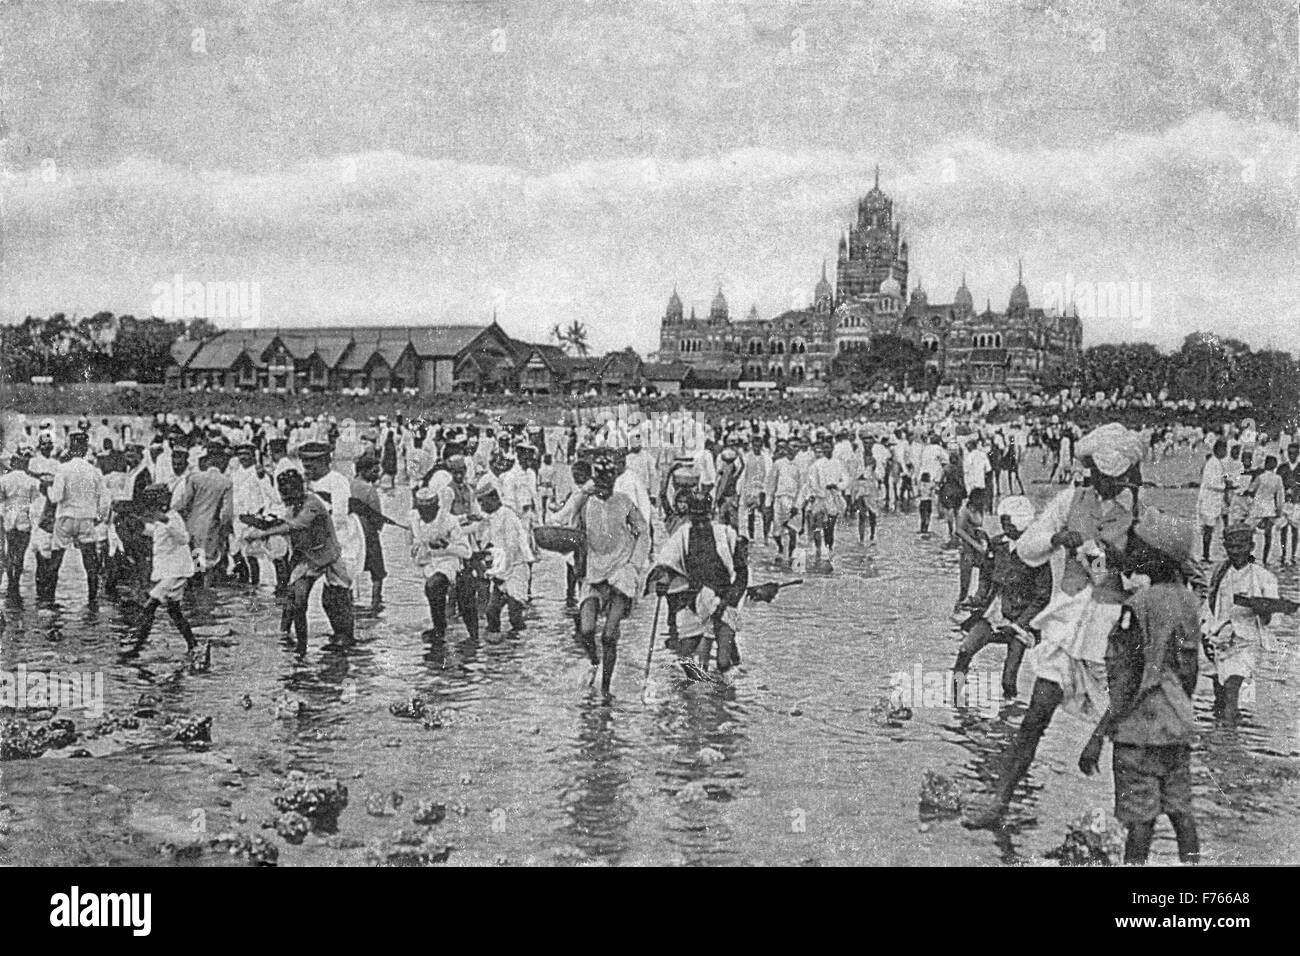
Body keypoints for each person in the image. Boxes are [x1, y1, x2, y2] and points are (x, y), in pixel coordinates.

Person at [1078, 508, 1201, 865]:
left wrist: (1098, 735)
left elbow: (1127, 679)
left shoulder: (1138, 605)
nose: (1133, 550)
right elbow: (1190, 672)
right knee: (1181, 811)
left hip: (1139, 729)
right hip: (1177, 725)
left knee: (1140, 819)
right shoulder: (1188, 602)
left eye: (1140, 546)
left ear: (1155, 556)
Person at [648, 489, 777, 684]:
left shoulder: (725, 535)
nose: (700, 523)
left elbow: (741, 573)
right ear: (691, 516)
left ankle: (728, 693)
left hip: (726, 596)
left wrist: (727, 602)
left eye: (703, 519)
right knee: (684, 656)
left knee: (723, 662)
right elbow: (667, 562)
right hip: (697, 599)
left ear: (711, 515)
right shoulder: (683, 535)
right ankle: (702, 684)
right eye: (696, 519)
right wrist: (664, 579)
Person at [952, 496, 1052, 701]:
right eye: (1002, 520)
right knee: (965, 650)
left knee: (1008, 679)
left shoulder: (1036, 551)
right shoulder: (997, 544)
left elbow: (1042, 597)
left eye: (1008, 521)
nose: (1003, 525)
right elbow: (986, 578)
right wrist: (977, 598)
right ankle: (956, 699)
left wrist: (1020, 624)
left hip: (1019, 620)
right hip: (992, 613)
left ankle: (1008, 715)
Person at [242, 469, 354, 649]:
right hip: (306, 559)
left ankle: (345, 639)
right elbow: (281, 522)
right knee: (297, 601)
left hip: (329, 558)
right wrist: (260, 523)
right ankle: (297, 646)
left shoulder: (312, 504)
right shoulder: (292, 505)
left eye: (289, 492)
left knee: (336, 601)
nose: (286, 497)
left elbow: (296, 525)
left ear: (299, 489)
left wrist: (261, 533)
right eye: (283, 492)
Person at [575, 457, 650, 693]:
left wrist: (634, 564)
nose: (603, 488)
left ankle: (606, 690)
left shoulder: (624, 502)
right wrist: (578, 566)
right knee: (586, 631)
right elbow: (576, 535)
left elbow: (643, 532)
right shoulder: (586, 504)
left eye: (608, 483)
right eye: (599, 483)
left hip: (620, 572)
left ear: (613, 481)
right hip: (595, 572)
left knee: (609, 636)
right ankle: (594, 662)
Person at [1202, 523, 1279, 725]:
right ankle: (1222, 734)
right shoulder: (1220, 573)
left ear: (1251, 546)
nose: (1235, 552)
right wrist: (1204, 633)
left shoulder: (1264, 577)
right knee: (1220, 694)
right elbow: (1210, 605)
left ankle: (1229, 740)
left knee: (1231, 687)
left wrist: (1262, 608)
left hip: (1246, 642)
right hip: (1219, 638)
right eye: (1231, 547)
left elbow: (1269, 620)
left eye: (1240, 546)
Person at [127, 484, 198, 655]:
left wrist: (166, 523)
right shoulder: (163, 518)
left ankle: (136, 647)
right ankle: (193, 644)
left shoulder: (173, 517)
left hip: (175, 572)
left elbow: (183, 539)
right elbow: (159, 535)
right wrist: (140, 526)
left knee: (149, 606)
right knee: (174, 611)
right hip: (170, 571)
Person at [407, 479, 476, 640]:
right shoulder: (414, 519)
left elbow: (466, 552)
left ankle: (469, 636)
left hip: (450, 562)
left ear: (436, 507)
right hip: (429, 563)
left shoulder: (449, 520)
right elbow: (413, 546)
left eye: (429, 511)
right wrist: (418, 545)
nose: (426, 516)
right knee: (432, 590)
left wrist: (446, 547)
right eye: (422, 511)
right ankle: (439, 627)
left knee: (436, 586)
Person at [299, 441, 365, 601]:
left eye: (311, 466)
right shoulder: (306, 482)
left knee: (336, 592)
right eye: (305, 466)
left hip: (340, 539)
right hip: (315, 540)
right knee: (298, 591)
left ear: (323, 462)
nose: (307, 470)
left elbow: (339, 518)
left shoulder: (337, 481)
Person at [47, 431, 108, 604]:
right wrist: (99, 517)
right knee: (90, 562)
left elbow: (56, 497)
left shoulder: (63, 469)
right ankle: (92, 601)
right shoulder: (94, 471)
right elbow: (104, 498)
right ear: (85, 449)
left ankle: (49, 600)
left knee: (56, 559)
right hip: (86, 518)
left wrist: (48, 490)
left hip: (65, 517)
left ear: (70, 447)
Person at [172, 442, 233, 585]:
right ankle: (206, 598)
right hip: (211, 530)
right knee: (209, 567)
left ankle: (195, 600)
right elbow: (226, 514)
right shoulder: (226, 482)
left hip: (192, 528)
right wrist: (224, 534)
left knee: (196, 565)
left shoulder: (194, 478)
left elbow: (183, 504)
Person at [477, 486, 531, 636]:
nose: (482, 507)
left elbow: (511, 549)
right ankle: (499, 650)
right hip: (502, 570)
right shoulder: (493, 518)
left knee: (514, 615)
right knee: (491, 612)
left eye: (483, 503)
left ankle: (519, 647)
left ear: (495, 499)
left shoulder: (508, 516)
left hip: (515, 570)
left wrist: (500, 575)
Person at [0, 448, 39, 599]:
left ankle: (11, 581)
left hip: (9, 517)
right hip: (24, 518)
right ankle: (16, 581)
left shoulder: (4, 480)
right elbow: (35, 503)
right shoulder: (31, 481)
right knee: (21, 553)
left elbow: (1, 500)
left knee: (10, 550)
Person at [350, 453, 388, 607]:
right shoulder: (369, 490)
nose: (377, 475)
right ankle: (376, 602)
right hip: (368, 534)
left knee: (350, 568)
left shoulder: (348, 485)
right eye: (374, 471)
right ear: (363, 471)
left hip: (351, 535)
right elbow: (378, 518)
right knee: (377, 572)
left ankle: (349, 602)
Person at [953, 488, 990, 612]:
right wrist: (976, 545)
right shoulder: (964, 511)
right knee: (965, 583)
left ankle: (980, 601)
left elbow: (979, 527)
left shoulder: (979, 509)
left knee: (987, 572)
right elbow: (959, 530)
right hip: (967, 550)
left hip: (978, 549)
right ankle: (958, 607)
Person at [1247, 455, 1284, 566]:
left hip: (1258, 508)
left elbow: (1251, 490)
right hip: (1269, 508)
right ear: (1275, 465)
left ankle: (1250, 557)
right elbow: (1280, 496)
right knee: (1268, 535)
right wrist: (1279, 510)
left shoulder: (1260, 477)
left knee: (1252, 533)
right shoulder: (1278, 478)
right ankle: (1264, 559)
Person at [916, 470, 935, 536]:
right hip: (928, 502)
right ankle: (926, 530)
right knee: (928, 516)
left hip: (922, 502)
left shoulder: (920, 483)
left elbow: (918, 493)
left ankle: (922, 530)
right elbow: (934, 490)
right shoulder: (931, 484)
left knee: (922, 517)